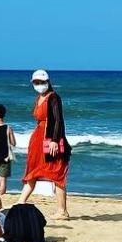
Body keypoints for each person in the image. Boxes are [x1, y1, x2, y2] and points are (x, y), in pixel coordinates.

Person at [17, 70, 71, 219]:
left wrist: (54, 140)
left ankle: (62, 211)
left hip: (50, 139)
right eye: (36, 82)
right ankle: (20, 203)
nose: (39, 85)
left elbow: (59, 120)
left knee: (56, 172)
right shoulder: (39, 98)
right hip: (37, 139)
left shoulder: (53, 98)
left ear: (47, 82)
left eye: (41, 82)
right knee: (32, 171)